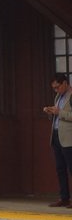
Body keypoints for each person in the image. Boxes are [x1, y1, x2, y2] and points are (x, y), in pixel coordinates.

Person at [42, 73, 72, 207]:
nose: (56, 90)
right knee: (60, 169)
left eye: (57, 87)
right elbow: (57, 116)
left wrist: (59, 112)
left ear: (65, 83)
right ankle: (64, 197)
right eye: (54, 88)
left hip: (68, 138)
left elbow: (66, 115)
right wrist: (51, 113)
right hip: (56, 135)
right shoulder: (58, 96)